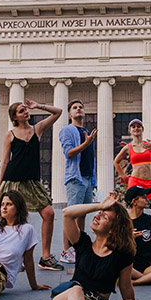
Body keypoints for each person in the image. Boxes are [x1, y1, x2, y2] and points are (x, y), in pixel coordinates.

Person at [46, 193, 142, 300]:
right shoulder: (82, 242)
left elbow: (126, 286)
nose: (97, 216)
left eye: (104, 216)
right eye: (99, 213)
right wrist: (100, 205)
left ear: (113, 228)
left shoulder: (122, 255)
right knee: (76, 289)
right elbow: (67, 214)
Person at [0, 98, 64, 271]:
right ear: (14, 117)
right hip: (13, 181)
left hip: (32, 182)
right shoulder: (9, 134)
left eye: (25, 109)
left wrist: (39, 105)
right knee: (14, 221)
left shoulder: (37, 129)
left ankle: (46, 257)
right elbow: (4, 162)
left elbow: (58, 112)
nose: (25, 112)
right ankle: (11, 257)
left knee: (48, 213)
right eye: (21, 111)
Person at [59, 100, 98, 265]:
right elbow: (69, 153)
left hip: (88, 177)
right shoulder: (67, 130)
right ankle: (67, 251)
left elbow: (91, 157)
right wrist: (86, 143)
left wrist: (94, 179)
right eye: (74, 108)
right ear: (69, 114)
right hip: (76, 177)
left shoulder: (87, 131)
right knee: (71, 215)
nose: (78, 109)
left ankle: (79, 247)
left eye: (81, 107)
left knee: (82, 215)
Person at [113, 119, 151, 204]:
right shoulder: (128, 147)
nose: (136, 128)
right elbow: (116, 162)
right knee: (135, 207)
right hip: (135, 181)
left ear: (142, 129)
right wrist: (123, 176)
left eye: (138, 126)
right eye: (133, 127)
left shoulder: (148, 143)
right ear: (130, 130)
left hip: (150, 181)